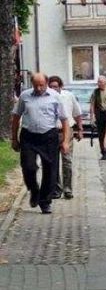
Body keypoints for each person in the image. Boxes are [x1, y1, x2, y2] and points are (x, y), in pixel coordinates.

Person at [10, 73, 69, 214]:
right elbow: (16, 117)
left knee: (50, 170)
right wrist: (14, 138)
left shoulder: (55, 96)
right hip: (29, 136)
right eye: (36, 85)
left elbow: (64, 120)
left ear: (46, 82)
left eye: (41, 84)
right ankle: (34, 190)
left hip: (49, 136)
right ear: (32, 83)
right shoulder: (25, 96)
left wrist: (65, 141)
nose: (38, 87)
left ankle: (45, 201)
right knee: (28, 166)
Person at [47, 75, 83, 200]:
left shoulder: (68, 96)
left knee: (67, 161)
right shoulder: (45, 97)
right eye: (50, 86)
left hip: (66, 132)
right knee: (53, 162)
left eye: (55, 86)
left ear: (60, 86)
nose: (53, 89)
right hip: (51, 133)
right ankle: (57, 189)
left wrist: (80, 129)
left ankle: (68, 189)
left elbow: (77, 113)